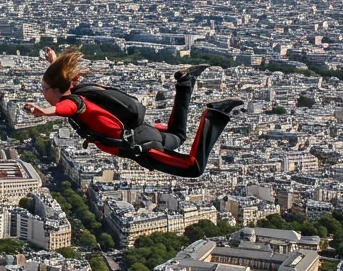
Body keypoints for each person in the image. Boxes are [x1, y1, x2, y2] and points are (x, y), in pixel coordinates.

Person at [23, 47, 243, 178]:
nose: (42, 93)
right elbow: (62, 80)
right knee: (178, 136)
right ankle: (185, 83)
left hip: (143, 147)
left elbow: (63, 108)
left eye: (44, 89)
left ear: (56, 89)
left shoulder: (75, 102)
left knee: (193, 168)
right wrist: (55, 61)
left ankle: (214, 116)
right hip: (143, 132)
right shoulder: (82, 88)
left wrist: (44, 111)